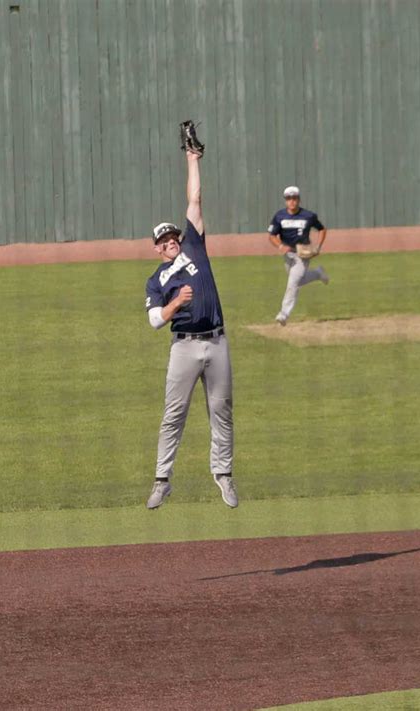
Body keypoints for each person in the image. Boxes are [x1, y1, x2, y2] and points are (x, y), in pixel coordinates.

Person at [144, 149, 237, 509]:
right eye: (164, 240)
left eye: (173, 236)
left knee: (222, 409)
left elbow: (194, 198)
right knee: (173, 415)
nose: (171, 241)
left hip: (216, 341)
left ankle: (224, 475)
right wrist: (175, 303)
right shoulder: (156, 281)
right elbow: (154, 320)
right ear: (156, 249)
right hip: (183, 347)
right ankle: (162, 480)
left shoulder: (196, 248)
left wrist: (192, 159)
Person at [268, 186, 329, 326]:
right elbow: (272, 236)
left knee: (293, 283)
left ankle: (284, 314)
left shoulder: (308, 215)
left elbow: (322, 229)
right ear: (285, 201)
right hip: (288, 255)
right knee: (297, 281)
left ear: (299, 199)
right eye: (289, 198)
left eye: (294, 198)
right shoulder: (279, 216)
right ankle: (318, 273)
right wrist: (280, 246)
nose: (292, 201)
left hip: (303, 254)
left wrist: (318, 246)